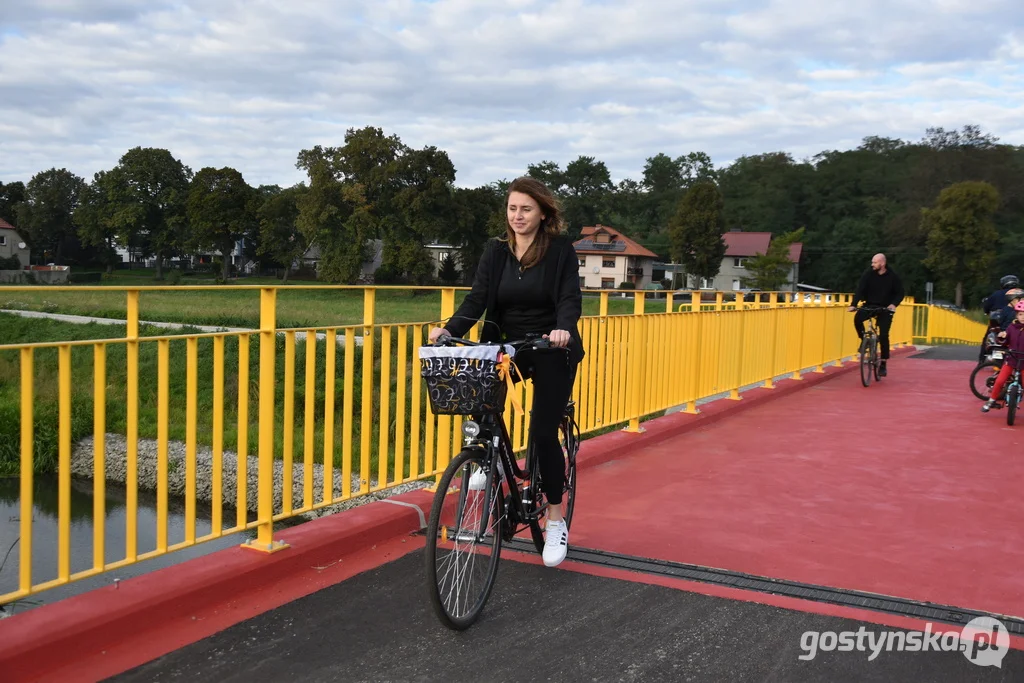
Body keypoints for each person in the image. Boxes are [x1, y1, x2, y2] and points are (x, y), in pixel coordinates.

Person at [427, 176, 584, 568]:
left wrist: (563, 329)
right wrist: (450, 330)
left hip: (550, 346)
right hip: (506, 346)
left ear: (543, 213)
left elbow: (569, 297)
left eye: (526, 209)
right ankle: (489, 459)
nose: (518, 216)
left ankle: (554, 518)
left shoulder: (561, 251)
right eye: (513, 208)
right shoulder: (496, 251)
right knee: (477, 397)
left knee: (543, 432)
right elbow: (478, 298)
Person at [847, 253, 905, 377]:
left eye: (874, 262)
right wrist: (853, 304)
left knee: (883, 335)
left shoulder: (893, 277)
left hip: (885, 308)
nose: (872, 264)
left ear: (882, 263)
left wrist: (894, 305)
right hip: (870, 305)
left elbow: (900, 293)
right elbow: (860, 289)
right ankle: (864, 341)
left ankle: (883, 363)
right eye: (872, 262)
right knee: (857, 319)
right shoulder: (868, 274)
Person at [982, 299, 1024, 413]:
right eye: (1020, 314)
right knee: (1000, 381)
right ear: (1016, 315)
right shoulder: (1011, 327)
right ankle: (991, 400)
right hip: (1012, 359)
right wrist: (1002, 337)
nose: (1023, 317)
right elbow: (1004, 342)